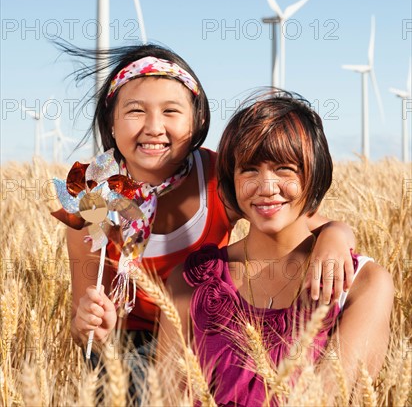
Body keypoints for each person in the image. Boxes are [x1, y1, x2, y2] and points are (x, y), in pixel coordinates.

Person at [53, 43, 355, 358]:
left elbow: (306, 222)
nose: (154, 127)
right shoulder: (90, 199)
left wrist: (336, 236)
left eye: (171, 111)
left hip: (206, 331)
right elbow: (81, 324)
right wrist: (93, 329)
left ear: (197, 121)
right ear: (111, 123)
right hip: (131, 344)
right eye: (135, 110)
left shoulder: (216, 178)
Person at [159, 90, 394, 405]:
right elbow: (168, 397)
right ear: (231, 178)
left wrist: (337, 232)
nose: (267, 187)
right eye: (250, 170)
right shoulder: (188, 281)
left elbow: (327, 398)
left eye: (285, 168)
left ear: (315, 174)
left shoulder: (363, 284)